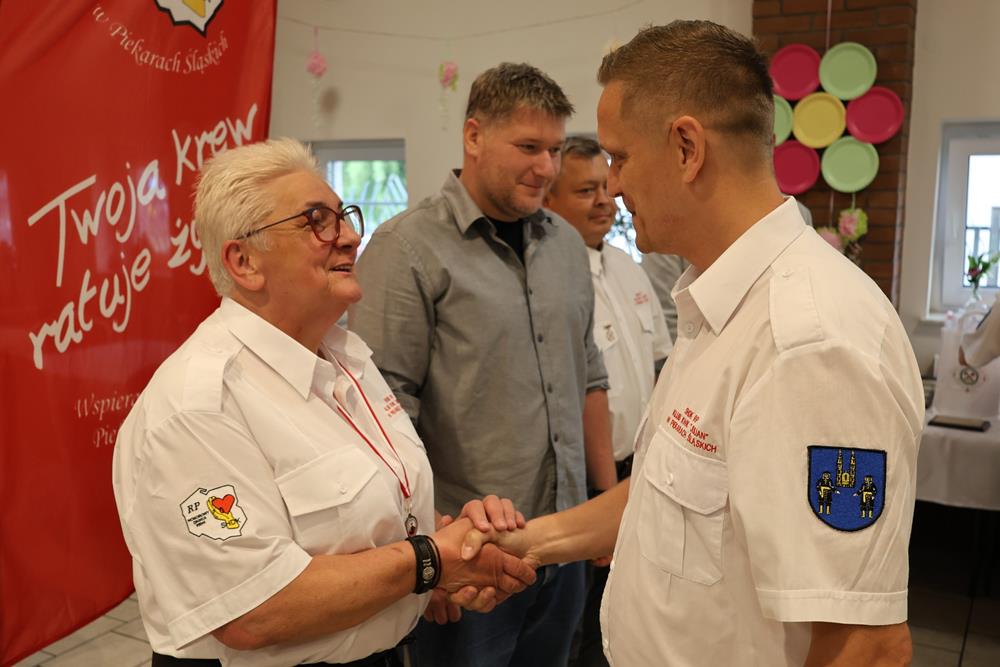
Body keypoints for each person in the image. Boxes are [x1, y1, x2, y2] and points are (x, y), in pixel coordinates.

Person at [467, 21, 923, 666]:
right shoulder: (718, 302)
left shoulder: (809, 342)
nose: (613, 187)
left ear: (686, 147)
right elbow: (668, 493)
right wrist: (526, 545)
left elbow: (866, 645)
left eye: (621, 158)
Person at [111, 138, 537, 667]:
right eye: (317, 221)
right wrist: (429, 561)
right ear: (244, 261)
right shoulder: (198, 407)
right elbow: (252, 610)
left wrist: (454, 543)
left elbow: (368, 522)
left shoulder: (346, 357)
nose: (351, 237)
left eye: (343, 216)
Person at [350, 63, 615, 666]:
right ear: (473, 136)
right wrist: (424, 551)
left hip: (564, 544)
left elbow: (590, 375)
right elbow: (381, 414)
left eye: (554, 149)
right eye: (528, 147)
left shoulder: (566, 245)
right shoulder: (407, 248)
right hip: (469, 558)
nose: (546, 167)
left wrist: (602, 506)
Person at [543, 135, 672, 667]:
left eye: (605, 187)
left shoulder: (626, 264)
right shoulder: (551, 278)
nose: (604, 201)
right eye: (585, 191)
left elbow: (661, 361)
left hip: (641, 468)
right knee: (579, 628)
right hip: (592, 479)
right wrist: (603, 488)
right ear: (549, 200)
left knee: (630, 617)